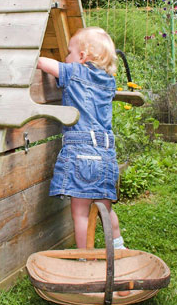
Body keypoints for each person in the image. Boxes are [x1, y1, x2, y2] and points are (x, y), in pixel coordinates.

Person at [37, 26, 126, 251]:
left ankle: (85, 259)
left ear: (83, 57)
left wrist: (32, 57)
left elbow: (45, 64)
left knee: (80, 214)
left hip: (82, 154)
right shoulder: (108, 82)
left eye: (69, 52)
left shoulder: (75, 71)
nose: (66, 58)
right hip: (106, 154)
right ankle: (118, 248)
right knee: (106, 209)